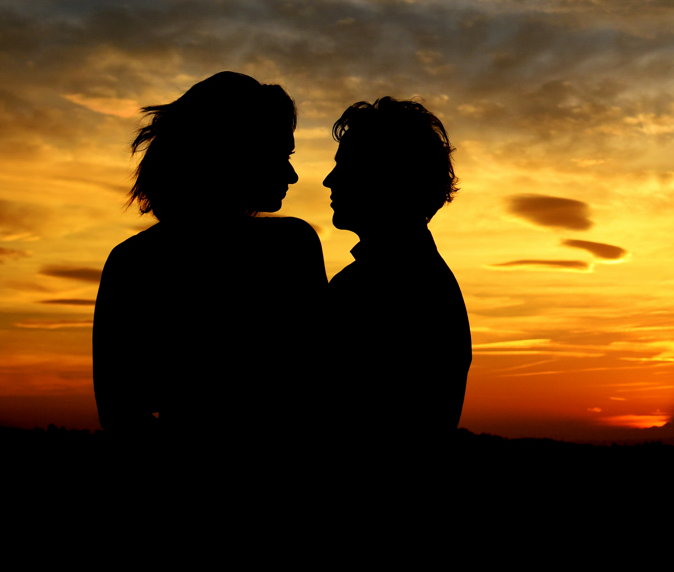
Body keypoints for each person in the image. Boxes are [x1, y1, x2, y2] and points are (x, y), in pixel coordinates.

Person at [93, 72, 325, 464]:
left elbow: (119, 412)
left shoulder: (132, 261)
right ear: (236, 153)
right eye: (281, 156)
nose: (292, 175)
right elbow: (318, 387)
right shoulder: (290, 247)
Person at [323, 97, 471, 453]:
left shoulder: (383, 288)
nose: (329, 180)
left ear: (384, 177)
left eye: (345, 166)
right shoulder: (414, 278)